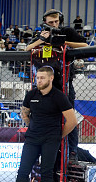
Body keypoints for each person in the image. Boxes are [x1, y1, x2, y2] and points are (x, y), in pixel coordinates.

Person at [2, 66, 77, 182]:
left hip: (51, 139)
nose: (39, 80)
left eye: (42, 78)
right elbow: (24, 114)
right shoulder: (31, 94)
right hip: (32, 138)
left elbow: (72, 121)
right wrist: (32, 126)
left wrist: (59, 136)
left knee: (46, 171)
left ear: (51, 78)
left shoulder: (59, 96)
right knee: (23, 170)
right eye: (37, 77)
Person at [25, 9, 87, 159]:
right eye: (51, 22)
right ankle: (42, 147)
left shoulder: (67, 31)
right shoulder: (41, 34)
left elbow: (85, 45)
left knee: (69, 116)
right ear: (45, 23)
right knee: (39, 115)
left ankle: (72, 152)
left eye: (56, 21)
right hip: (43, 85)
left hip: (64, 82)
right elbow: (27, 48)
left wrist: (63, 42)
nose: (54, 24)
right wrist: (42, 39)